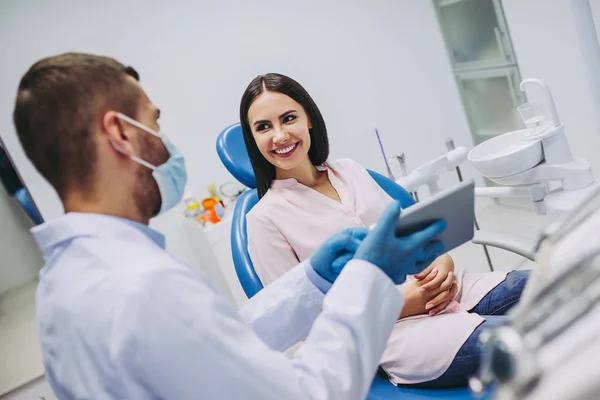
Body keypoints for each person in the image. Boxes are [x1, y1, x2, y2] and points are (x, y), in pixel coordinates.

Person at [13, 53, 447, 400]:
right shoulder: (142, 286)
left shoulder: (70, 279)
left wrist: (310, 280)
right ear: (121, 135)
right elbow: (308, 392)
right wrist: (369, 280)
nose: (164, 141)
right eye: (154, 122)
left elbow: (211, 347)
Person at [240, 72, 531, 388]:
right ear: (253, 139)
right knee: (529, 338)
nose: (279, 135)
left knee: (545, 288)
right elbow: (306, 326)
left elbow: (413, 234)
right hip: (391, 333)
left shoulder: (349, 170)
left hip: (446, 287)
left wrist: (442, 263)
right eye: (264, 127)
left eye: (288, 118)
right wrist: (403, 301)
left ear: (309, 119)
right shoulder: (263, 219)